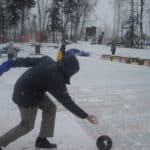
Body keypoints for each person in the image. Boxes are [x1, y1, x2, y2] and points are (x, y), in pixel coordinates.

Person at [0, 54, 98, 150]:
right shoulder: (56, 79)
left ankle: (42, 139)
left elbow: (27, 61)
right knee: (26, 126)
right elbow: (67, 102)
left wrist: (11, 63)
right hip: (25, 96)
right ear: (70, 70)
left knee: (50, 107)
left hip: (31, 89)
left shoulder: (47, 60)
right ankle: (1, 142)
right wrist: (85, 116)